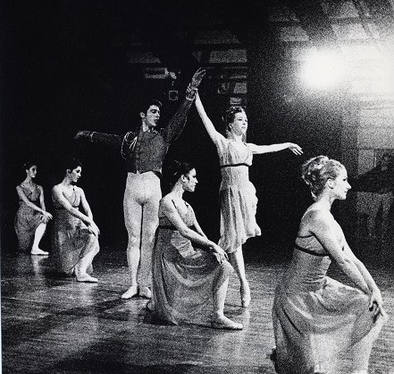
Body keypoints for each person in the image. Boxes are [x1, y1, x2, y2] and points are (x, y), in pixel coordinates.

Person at [74, 68, 206, 299]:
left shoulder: (164, 135)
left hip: (153, 189)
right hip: (132, 188)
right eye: (153, 112)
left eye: (158, 112)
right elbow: (110, 140)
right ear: (142, 115)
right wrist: (88, 134)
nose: (157, 115)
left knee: (149, 239)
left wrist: (191, 90)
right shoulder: (129, 138)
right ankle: (133, 284)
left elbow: (181, 114)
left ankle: (145, 284)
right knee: (133, 239)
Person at [272, 155, 393, 374]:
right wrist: (371, 292)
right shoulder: (318, 216)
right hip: (298, 299)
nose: (348, 185)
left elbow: (353, 257)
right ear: (329, 183)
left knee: (372, 310)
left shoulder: (327, 217)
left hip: (317, 289)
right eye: (344, 180)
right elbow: (343, 261)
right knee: (293, 372)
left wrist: (374, 289)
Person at [195, 91, 302, 307]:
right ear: (230, 124)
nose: (244, 123)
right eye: (240, 120)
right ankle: (242, 282)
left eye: (246, 120)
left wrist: (288, 144)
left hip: (245, 193)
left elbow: (269, 148)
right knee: (233, 242)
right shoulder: (223, 143)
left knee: (236, 242)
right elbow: (205, 119)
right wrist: (195, 96)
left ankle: (230, 279)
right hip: (230, 193)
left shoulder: (247, 147)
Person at [149, 160, 243, 330]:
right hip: (169, 256)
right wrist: (213, 245)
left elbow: (199, 233)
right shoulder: (167, 202)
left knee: (223, 266)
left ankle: (218, 316)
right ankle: (157, 302)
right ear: (182, 179)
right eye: (193, 177)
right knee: (167, 310)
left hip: (186, 252)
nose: (196, 181)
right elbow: (184, 231)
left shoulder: (187, 205)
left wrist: (212, 249)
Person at [51, 157, 100, 283]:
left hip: (78, 226)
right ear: (68, 171)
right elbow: (70, 209)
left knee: (93, 238)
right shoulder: (57, 189)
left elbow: (88, 209)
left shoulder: (79, 190)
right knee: (66, 272)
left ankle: (81, 272)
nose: (80, 175)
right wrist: (91, 222)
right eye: (77, 171)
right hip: (64, 230)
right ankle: (77, 268)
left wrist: (90, 224)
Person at [353, 152, 394, 241]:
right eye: (384, 160)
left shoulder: (391, 171)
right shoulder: (377, 169)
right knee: (372, 214)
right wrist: (358, 177)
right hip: (377, 194)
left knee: (385, 216)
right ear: (381, 160)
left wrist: (386, 189)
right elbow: (367, 175)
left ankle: (383, 236)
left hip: (387, 195)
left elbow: (392, 184)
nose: (385, 162)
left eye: (388, 161)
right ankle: (371, 235)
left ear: (390, 162)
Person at [15, 162, 52, 255]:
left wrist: (44, 214)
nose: (35, 172)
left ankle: (35, 247)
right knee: (23, 248)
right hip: (23, 217)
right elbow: (27, 202)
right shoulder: (19, 187)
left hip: (35, 214)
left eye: (36, 170)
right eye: (33, 169)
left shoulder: (39, 187)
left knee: (44, 219)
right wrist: (43, 211)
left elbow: (42, 202)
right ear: (27, 171)